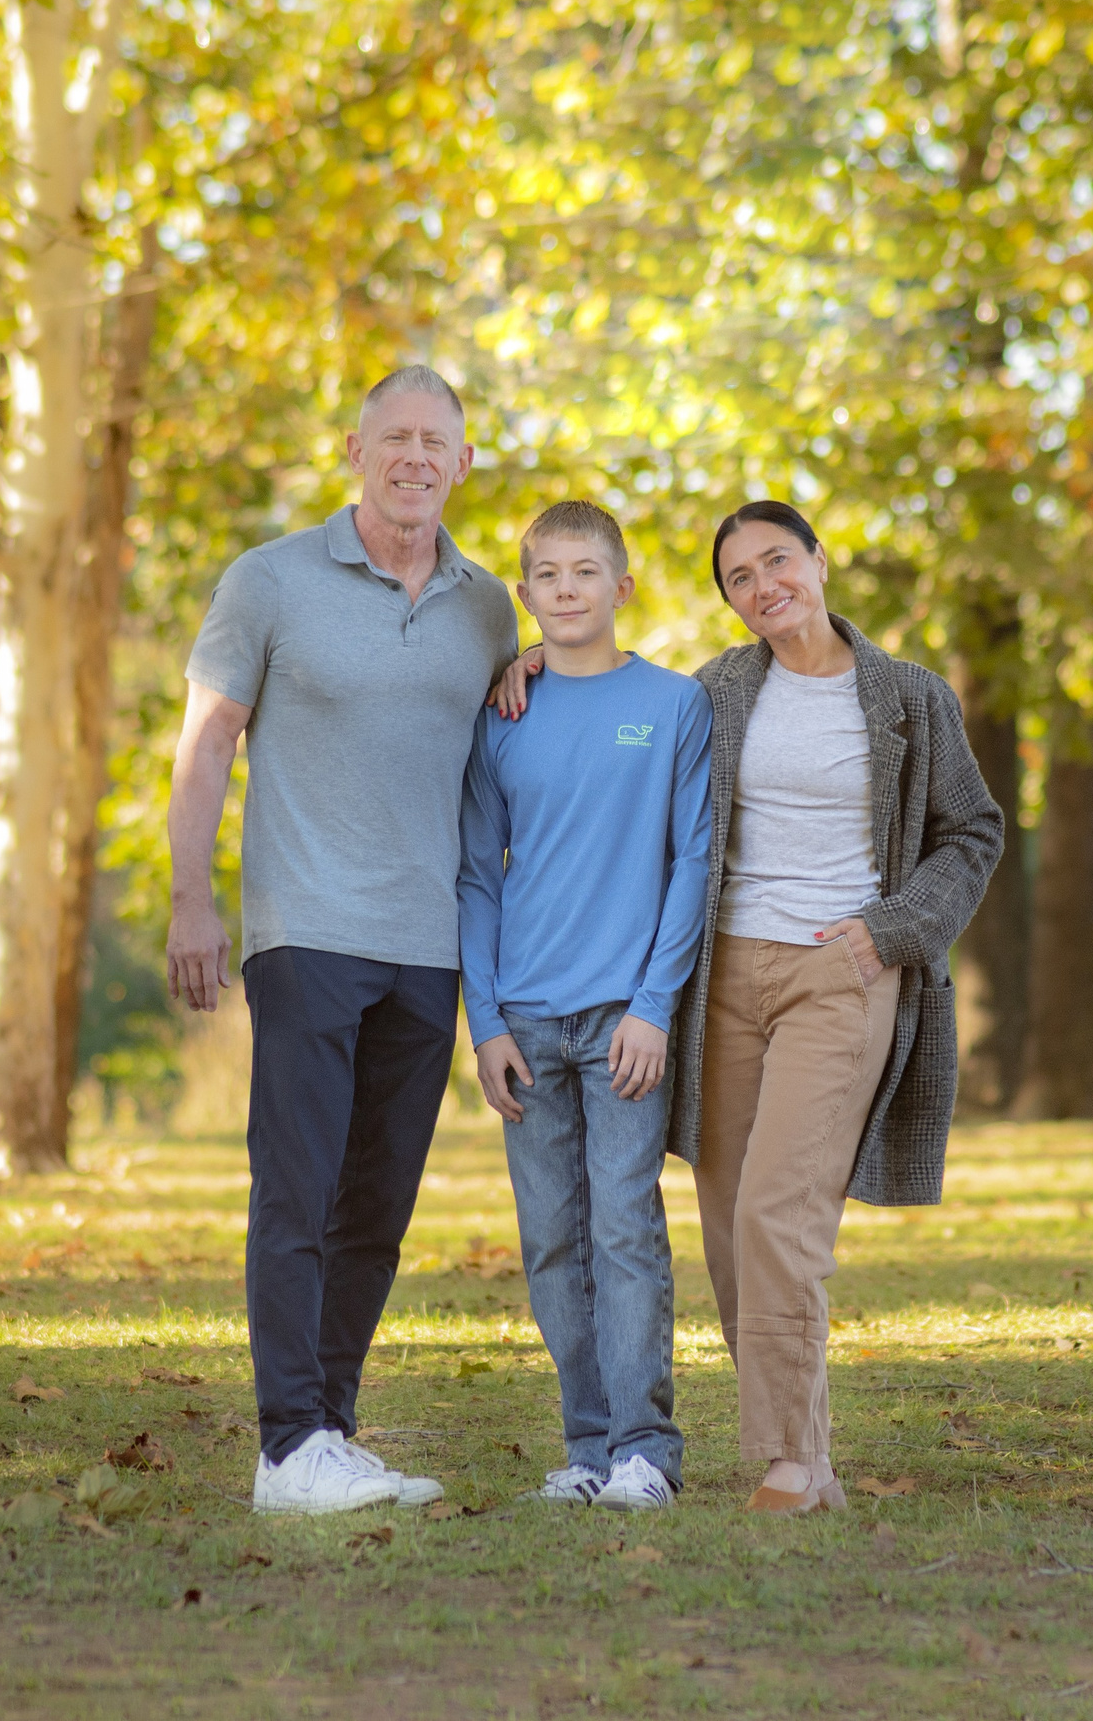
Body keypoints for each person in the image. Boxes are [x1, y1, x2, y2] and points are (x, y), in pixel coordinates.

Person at [166, 365, 521, 1516]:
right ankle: (284, 1446)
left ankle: (329, 1429)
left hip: (429, 943)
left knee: (375, 1203)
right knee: (300, 1188)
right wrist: (191, 899)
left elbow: (503, 749)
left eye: (437, 441)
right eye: (394, 437)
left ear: (462, 464)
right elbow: (209, 739)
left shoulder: (485, 604)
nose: (415, 456)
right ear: (356, 451)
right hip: (305, 925)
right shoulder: (268, 580)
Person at [684, 500, 1004, 1510]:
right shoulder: (715, 692)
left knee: (783, 1208)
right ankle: (809, 1454)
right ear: (731, 600)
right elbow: (621, 733)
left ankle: (784, 1454)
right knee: (732, 1219)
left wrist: (894, 930)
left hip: (843, 973)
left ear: (819, 560)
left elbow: (972, 831)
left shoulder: (909, 697)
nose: (763, 583)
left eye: (778, 558)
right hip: (725, 973)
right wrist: (527, 669)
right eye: (739, 576)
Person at [459, 501, 713, 1513]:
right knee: (552, 1238)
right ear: (525, 597)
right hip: (524, 1017)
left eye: (585, 572)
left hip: (622, 1018)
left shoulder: (675, 704)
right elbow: (476, 875)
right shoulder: (501, 715)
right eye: (548, 576)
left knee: (624, 1228)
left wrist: (654, 1004)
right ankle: (588, 1445)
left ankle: (647, 1447)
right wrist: (483, 1023)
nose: (567, 590)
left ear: (623, 586)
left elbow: (692, 857)